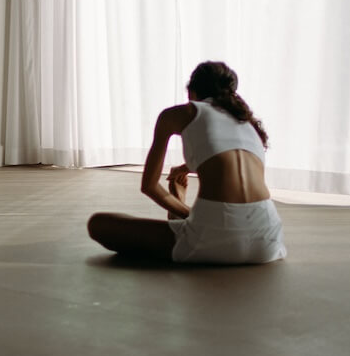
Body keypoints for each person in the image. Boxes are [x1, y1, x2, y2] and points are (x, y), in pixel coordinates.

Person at [87, 61, 286, 264]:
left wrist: (186, 211)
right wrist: (186, 169)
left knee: (98, 224)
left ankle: (182, 210)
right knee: (191, 224)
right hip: (268, 242)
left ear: (191, 91)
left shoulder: (179, 114)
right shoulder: (246, 122)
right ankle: (185, 213)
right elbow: (223, 160)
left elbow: (149, 186)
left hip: (213, 238)